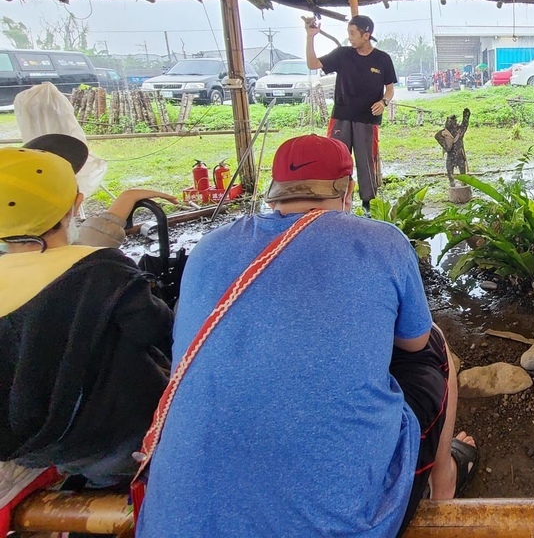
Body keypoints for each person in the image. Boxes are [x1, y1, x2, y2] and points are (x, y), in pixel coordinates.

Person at [137, 135, 477, 537]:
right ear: (347, 190)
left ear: (273, 192)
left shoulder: (208, 248)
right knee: (434, 345)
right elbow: (414, 343)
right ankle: (445, 480)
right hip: (342, 523)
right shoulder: (382, 241)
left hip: (174, 521)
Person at [0, 148, 172, 487]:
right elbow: (156, 330)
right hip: (114, 442)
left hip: (24, 449)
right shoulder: (103, 270)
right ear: (77, 203)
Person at [305, 15, 397, 211]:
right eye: (348, 33)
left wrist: (384, 102)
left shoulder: (383, 59)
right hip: (341, 118)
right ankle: (336, 203)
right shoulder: (342, 54)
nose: (350, 38)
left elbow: (389, 89)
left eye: (353, 33)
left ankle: (368, 206)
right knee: (336, 161)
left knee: (366, 164)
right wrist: (310, 36)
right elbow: (312, 64)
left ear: (367, 35)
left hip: (367, 120)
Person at [23, 133, 178, 249]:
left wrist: (129, 195)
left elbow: (101, 229)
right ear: (77, 203)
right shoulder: (87, 255)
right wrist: (130, 195)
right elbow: (98, 234)